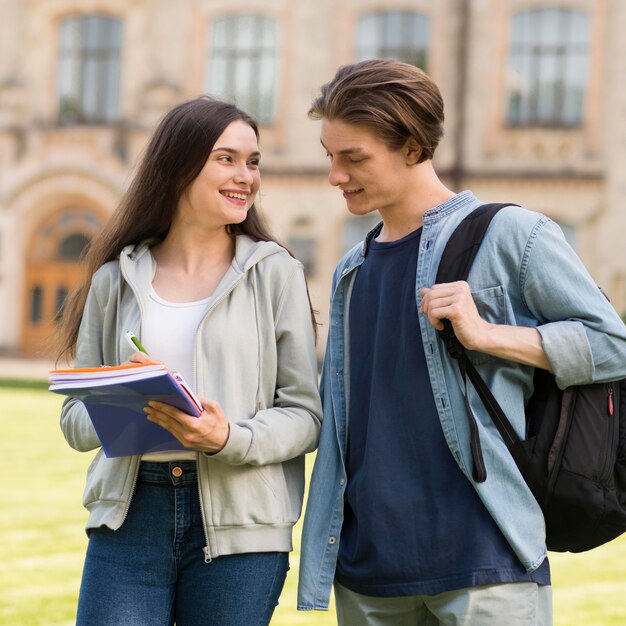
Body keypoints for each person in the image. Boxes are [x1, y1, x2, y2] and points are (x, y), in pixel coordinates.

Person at [297, 59, 626, 625]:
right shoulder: (352, 269)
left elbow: (612, 345)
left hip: (485, 562)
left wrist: (489, 335)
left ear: (412, 146)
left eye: (354, 158)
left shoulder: (512, 235)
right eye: (330, 156)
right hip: (369, 572)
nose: (335, 176)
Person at [56, 96, 322, 626]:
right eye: (226, 159)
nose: (245, 175)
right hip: (130, 519)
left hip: (241, 524)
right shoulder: (115, 279)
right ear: (178, 166)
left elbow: (304, 415)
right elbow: (74, 421)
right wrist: (132, 408)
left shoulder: (276, 274)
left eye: (253, 161)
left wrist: (228, 438)